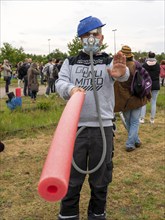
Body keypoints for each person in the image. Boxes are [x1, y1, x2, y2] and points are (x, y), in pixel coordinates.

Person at [55, 16, 130, 220]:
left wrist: (121, 73)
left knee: (101, 179)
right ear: (80, 38)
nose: (91, 38)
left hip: (102, 129)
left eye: (95, 34)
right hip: (75, 129)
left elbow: (122, 74)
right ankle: (68, 215)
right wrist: (70, 89)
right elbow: (59, 83)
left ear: (102, 37)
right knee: (71, 178)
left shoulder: (107, 60)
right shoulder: (70, 62)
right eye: (87, 35)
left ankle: (97, 214)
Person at [114, 45, 150, 152]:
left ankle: (132, 142)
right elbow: (146, 79)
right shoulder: (136, 65)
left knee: (129, 122)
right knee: (134, 122)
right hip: (136, 97)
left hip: (123, 99)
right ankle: (134, 141)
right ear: (130, 55)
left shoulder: (117, 67)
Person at [139, 51, 160, 124]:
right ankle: (152, 119)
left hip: (146, 84)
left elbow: (141, 74)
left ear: (148, 56)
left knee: (144, 101)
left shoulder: (144, 65)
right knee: (153, 102)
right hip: (155, 84)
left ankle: (142, 119)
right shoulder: (157, 65)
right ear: (154, 56)